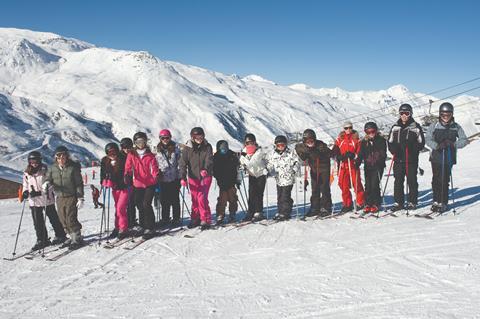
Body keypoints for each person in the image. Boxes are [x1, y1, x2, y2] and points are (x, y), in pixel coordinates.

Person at [425, 102, 468, 212]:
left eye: (448, 114)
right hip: (436, 156)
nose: (446, 117)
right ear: (440, 114)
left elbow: (464, 140)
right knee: (436, 179)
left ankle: (443, 202)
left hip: (448, 156)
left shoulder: (456, 126)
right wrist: (437, 145)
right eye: (443, 115)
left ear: (452, 114)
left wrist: (453, 144)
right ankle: (436, 200)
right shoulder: (434, 125)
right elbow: (428, 139)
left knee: (444, 179)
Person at [22, 151, 66, 250]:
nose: (34, 163)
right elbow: (25, 184)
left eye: (36, 160)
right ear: (29, 161)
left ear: (40, 160)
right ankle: (42, 240)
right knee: (38, 222)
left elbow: (51, 184)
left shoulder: (45, 170)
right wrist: (25, 192)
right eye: (32, 160)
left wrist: (42, 192)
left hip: (46, 199)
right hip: (34, 201)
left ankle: (60, 235)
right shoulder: (26, 172)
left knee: (53, 218)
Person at [43, 146, 84, 250]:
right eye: (59, 156)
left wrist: (80, 197)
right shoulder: (53, 168)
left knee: (71, 217)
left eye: (63, 156)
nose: (61, 158)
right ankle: (71, 236)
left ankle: (77, 237)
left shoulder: (72, 168)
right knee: (62, 219)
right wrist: (46, 183)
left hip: (71, 196)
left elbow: (79, 183)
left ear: (67, 156)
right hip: (60, 197)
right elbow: (48, 178)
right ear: (56, 157)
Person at [387, 103, 425, 211]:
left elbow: (421, 143)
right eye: (401, 113)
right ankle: (398, 202)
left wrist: (412, 147)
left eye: (406, 113)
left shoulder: (416, 127)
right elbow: (389, 141)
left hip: (411, 160)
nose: (404, 115)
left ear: (410, 114)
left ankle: (412, 202)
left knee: (412, 181)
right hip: (398, 159)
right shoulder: (395, 127)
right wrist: (393, 149)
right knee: (398, 182)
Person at [124, 132, 159, 239]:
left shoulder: (150, 155)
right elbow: (128, 167)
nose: (140, 144)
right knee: (138, 204)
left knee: (146, 204)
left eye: (142, 141)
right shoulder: (132, 154)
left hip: (149, 184)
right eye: (138, 142)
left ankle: (150, 227)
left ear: (145, 141)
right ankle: (142, 225)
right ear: (135, 143)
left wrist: (155, 176)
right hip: (138, 183)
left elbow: (154, 168)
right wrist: (127, 175)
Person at [179, 127, 214, 230]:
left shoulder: (207, 147)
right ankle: (195, 218)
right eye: (196, 137)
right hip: (193, 177)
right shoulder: (187, 149)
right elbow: (183, 163)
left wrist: (205, 169)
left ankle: (205, 219)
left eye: (201, 136)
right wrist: (183, 177)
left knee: (201, 198)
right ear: (192, 137)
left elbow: (209, 159)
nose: (199, 138)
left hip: (205, 176)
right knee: (194, 199)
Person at [295, 129, 332, 217]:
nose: (310, 143)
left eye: (311, 140)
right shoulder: (304, 147)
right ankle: (315, 207)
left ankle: (325, 207)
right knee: (315, 189)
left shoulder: (320, 145)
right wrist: (302, 154)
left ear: (315, 139)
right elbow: (298, 148)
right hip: (314, 170)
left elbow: (329, 153)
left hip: (324, 169)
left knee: (324, 188)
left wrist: (321, 153)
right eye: (307, 141)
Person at [333, 121, 365, 212]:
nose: (348, 130)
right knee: (343, 185)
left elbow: (359, 153)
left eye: (350, 127)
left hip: (353, 165)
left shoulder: (356, 139)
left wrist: (353, 155)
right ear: (343, 129)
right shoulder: (340, 139)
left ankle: (360, 202)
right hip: (343, 165)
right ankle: (347, 204)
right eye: (346, 128)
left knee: (356, 184)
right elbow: (335, 150)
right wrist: (339, 156)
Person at [266, 135, 300, 221]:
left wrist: (294, 170)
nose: (281, 147)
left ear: (286, 145)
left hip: (288, 178)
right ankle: (280, 211)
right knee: (280, 196)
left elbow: (297, 162)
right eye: (278, 145)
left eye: (283, 145)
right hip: (279, 179)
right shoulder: (272, 154)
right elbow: (269, 164)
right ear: (275, 145)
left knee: (285, 196)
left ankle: (285, 212)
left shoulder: (290, 153)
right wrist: (269, 170)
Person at [356, 122, 387, 213]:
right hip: (368, 167)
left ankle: (376, 203)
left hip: (378, 166)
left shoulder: (381, 140)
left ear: (376, 131)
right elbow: (361, 154)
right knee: (368, 186)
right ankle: (368, 203)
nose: (371, 134)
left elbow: (383, 152)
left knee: (374, 185)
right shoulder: (364, 142)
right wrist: (357, 162)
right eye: (368, 132)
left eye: (372, 131)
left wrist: (380, 160)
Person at [100, 142, 129, 239]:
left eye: (114, 152)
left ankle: (123, 228)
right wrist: (105, 181)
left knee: (120, 208)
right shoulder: (105, 161)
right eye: (109, 153)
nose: (112, 155)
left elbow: (126, 173)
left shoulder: (123, 159)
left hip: (125, 188)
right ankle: (117, 227)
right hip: (115, 189)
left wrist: (122, 181)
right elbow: (103, 174)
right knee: (117, 208)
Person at [239, 133, 268, 222]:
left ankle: (258, 211)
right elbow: (242, 161)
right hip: (252, 175)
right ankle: (250, 211)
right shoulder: (244, 152)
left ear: (255, 142)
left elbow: (255, 162)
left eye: (251, 143)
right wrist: (242, 165)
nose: (249, 145)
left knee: (259, 193)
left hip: (260, 174)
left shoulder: (259, 151)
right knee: (251, 193)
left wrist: (267, 168)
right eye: (247, 143)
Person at [156, 129, 181, 226]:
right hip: (163, 178)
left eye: (167, 138)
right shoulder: (156, 149)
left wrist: (180, 176)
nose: (165, 140)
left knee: (175, 199)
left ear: (170, 138)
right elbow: (154, 163)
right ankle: (165, 218)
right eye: (163, 138)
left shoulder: (176, 148)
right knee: (164, 200)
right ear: (160, 138)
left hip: (174, 178)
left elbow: (180, 162)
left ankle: (176, 218)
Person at [213, 140, 240, 225]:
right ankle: (220, 214)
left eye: (225, 148)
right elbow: (214, 170)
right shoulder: (216, 157)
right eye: (221, 149)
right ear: (218, 149)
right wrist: (217, 177)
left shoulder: (232, 155)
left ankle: (232, 214)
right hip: (222, 183)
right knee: (222, 200)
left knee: (233, 199)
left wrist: (238, 180)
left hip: (232, 182)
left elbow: (238, 168)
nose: (223, 150)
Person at [120, 137, 137, 229]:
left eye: (128, 147)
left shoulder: (134, 154)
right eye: (124, 147)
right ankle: (126, 222)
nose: (126, 149)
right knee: (124, 204)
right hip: (124, 183)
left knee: (132, 202)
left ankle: (132, 220)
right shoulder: (120, 156)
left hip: (134, 182)